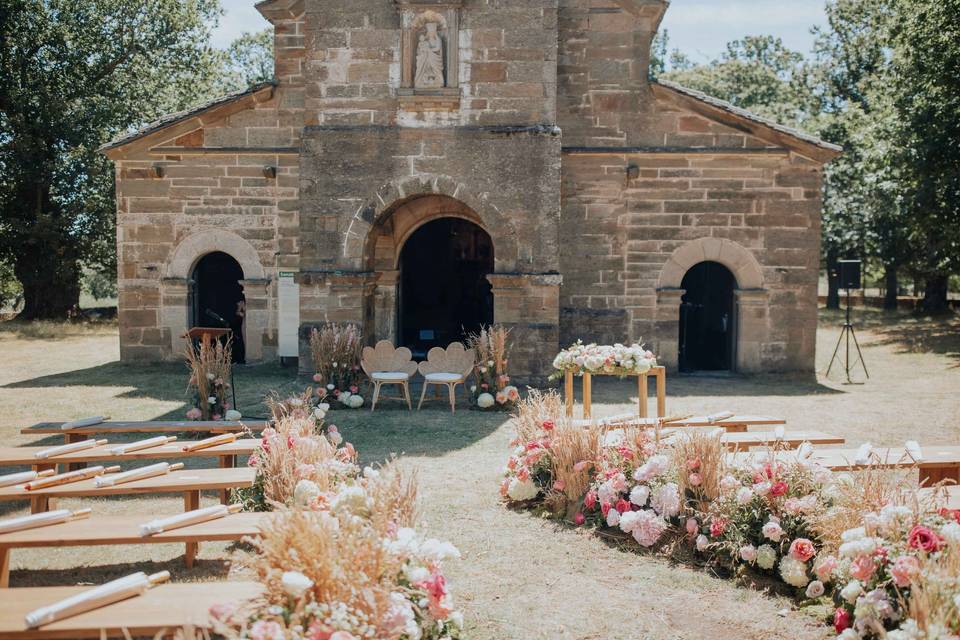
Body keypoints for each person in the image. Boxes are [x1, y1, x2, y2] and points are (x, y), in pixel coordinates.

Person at [231, 289, 246, 364]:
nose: (238, 304)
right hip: (240, 329)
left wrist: (240, 307)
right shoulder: (241, 310)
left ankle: (243, 358)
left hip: (244, 328)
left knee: (243, 343)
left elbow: (240, 315)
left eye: (239, 303)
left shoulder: (245, 309)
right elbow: (237, 316)